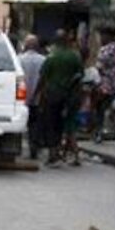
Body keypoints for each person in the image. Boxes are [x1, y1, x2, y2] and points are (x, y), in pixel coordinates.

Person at [32, 32, 84, 167]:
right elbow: (80, 76)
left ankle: (53, 155)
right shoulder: (75, 57)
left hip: (53, 95)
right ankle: (62, 153)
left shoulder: (52, 58)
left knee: (51, 124)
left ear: (55, 42)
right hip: (70, 96)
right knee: (64, 125)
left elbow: (42, 78)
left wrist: (36, 94)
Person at [18, 35, 46, 158]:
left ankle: (17, 148)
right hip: (37, 97)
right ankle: (33, 148)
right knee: (35, 125)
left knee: (20, 124)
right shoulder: (43, 60)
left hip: (22, 98)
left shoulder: (19, 59)